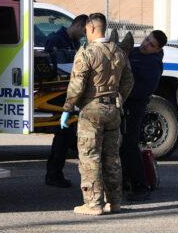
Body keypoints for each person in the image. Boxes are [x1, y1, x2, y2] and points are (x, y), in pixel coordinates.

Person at [60, 13, 134, 215]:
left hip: (92, 111)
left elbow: (77, 85)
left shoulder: (86, 53)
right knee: (112, 157)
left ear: (92, 28)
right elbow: (128, 82)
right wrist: (118, 98)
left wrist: (67, 109)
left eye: (86, 30)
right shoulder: (118, 52)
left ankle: (93, 204)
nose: (85, 33)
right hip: (113, 110)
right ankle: (115, 202)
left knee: (90, 156)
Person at [120, 30, 167, 201]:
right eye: (147, 40)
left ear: (157, 49)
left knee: (129, 145)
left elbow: (143, 90)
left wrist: (122, 94)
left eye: (152, 44)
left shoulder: (152, 64)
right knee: (123, 145)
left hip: (134, 107)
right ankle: (126, 181)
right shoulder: (134, 52)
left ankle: (140, 186)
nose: (146, 44)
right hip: (125, 105)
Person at [44, 14, 88, 188]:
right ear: (77, 25)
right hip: (58, 96)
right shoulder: (55, 40)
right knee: (63, 136)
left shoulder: (73, 42)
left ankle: (54, 174)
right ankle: (53, 175)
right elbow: (51, 67)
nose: (84, 34)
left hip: (69, 94)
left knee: (66, 137)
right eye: (84, 30)